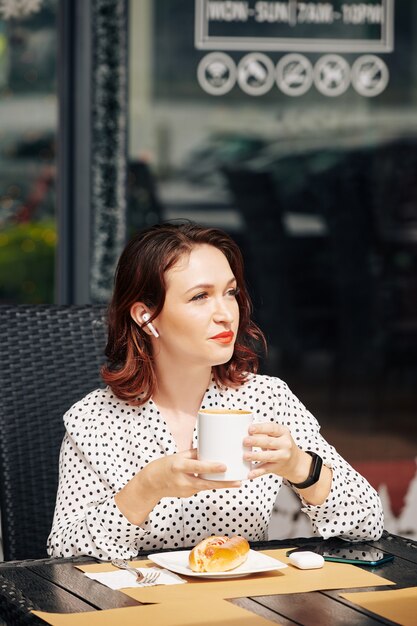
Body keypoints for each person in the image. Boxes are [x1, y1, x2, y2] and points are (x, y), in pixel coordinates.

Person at [47, 222, 384, 560]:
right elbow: (63, 555)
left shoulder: (266, 399)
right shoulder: (95, 420)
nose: (226, 314)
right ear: (146, 317)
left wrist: (301, 467)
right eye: (200, 297)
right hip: (139, 606)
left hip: (245, 603)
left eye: (230, 292)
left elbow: (368, 523)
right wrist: (146, 488)